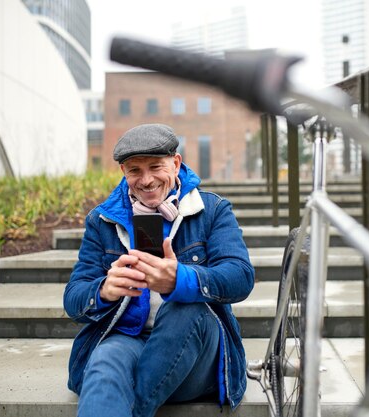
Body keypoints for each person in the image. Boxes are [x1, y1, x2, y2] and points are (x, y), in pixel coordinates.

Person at [63, 123, 255, 417]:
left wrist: (182, 279)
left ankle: (133, 408)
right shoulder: (101, 220)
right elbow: (73, 299)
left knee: (185, 309)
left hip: (195, 356)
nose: (146, 180)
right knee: (105, 360)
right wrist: (103, 290)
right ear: (123, 172)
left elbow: (240, 276)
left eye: (156, 166)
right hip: (130, 340)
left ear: (176, 163)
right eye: (134, 171)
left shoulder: (212, 209)